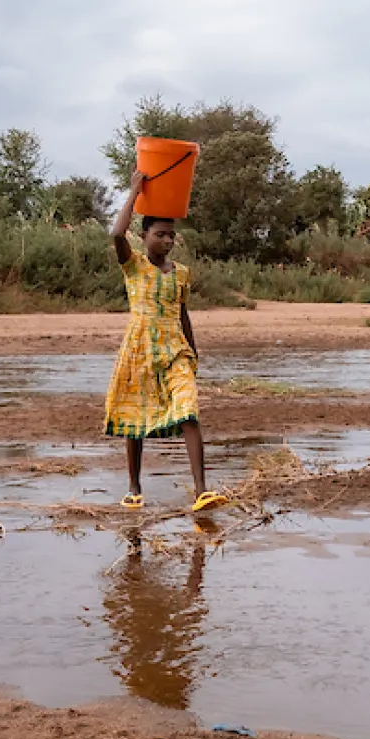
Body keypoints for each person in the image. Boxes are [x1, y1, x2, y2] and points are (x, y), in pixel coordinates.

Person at [105, 170, 219, 511]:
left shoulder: (181, 272)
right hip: (140, 348)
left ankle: (201, 491)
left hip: (175, 349)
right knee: (135, 420)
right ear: (144, 236)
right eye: (160, 234)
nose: (167, 241)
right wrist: (133, 192)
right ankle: (134, 487)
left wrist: (194, 353)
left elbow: (183, 315)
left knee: (189, 410)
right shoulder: (134, 266)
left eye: (171, 235)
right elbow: (115, 233)